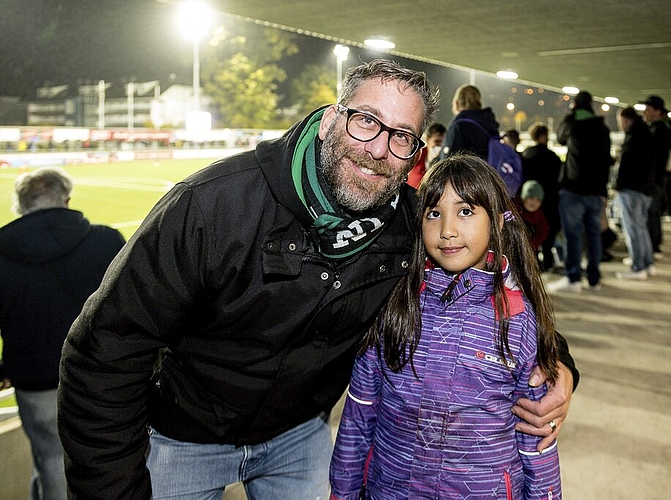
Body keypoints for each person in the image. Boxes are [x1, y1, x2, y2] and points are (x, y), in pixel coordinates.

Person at [57, 59, 577, 500]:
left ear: (415, 154)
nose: (378, 149)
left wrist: (560, 367)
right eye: (367, 122)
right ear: (330, 122)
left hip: (299, 435)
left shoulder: (413, 229)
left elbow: (492, 296)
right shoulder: (212, 206)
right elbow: (104, 352)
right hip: (179, 437)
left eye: (401, 137)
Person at [329, 155, 562, 499]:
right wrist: (343, 491)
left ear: (497, 223)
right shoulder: (395, 303)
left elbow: (536, 440)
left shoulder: (517, 319)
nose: (447, 230)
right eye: (434, 213)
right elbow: (360, 413)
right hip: (391, 489)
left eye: (466, 211)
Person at [0, 167, 125, 500]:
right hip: (103, 374)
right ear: (67, 199)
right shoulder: (107, 239)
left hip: (34, 377)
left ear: (21, 204)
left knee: (52, 463)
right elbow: (132, 307)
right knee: (115, 460)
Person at [548, 91, 613, 293]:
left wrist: (570, 115)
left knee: (573, 235)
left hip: (574, 188)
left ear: (575, 105)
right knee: (594, 235)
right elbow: (606, 160)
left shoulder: (572, 121)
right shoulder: (601, 127)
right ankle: (594, 279)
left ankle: (573, 278)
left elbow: (560, 138)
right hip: (595, 191)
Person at [613, 106, 657, 280]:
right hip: (646, 189)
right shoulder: (647, 133)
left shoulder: (633, 138)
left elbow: (625, 165)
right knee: (641, 228)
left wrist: (618, 185)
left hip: (632, 189)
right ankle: (647, 262)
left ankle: (638, 267)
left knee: (633, 229)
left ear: (625, 120)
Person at [522, 123, 563, 271]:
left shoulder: (526, 154)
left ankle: (533, 265)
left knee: (531, 233)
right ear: (545, 136)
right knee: (548, 234)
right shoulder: (553, 157)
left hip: (530, 201)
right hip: (550, 201)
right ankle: (548, 263)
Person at [641, 95, 671, 256]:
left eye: (648, 109)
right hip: (660, 176)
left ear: (658, 111)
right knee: (654, 211)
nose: (645, 113)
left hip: (654, 178)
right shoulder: (667, 127)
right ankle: (654, 243)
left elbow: (651, 156)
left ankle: (653, 245)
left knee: (652, 212)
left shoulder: (657, 130)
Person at [515, 180, 549, 263]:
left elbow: (543, 231)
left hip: (529, 249)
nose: (534, 202)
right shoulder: (515, 208)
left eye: (538, 200)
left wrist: (531, 245)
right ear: (524, 197)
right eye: (531, 198)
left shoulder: (539, 216)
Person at [406, 122, 445, 188]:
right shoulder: (416, 154)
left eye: (443, 142)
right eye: (437, 141)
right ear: (428, 140)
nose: (440, 146)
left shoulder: (445, 160)